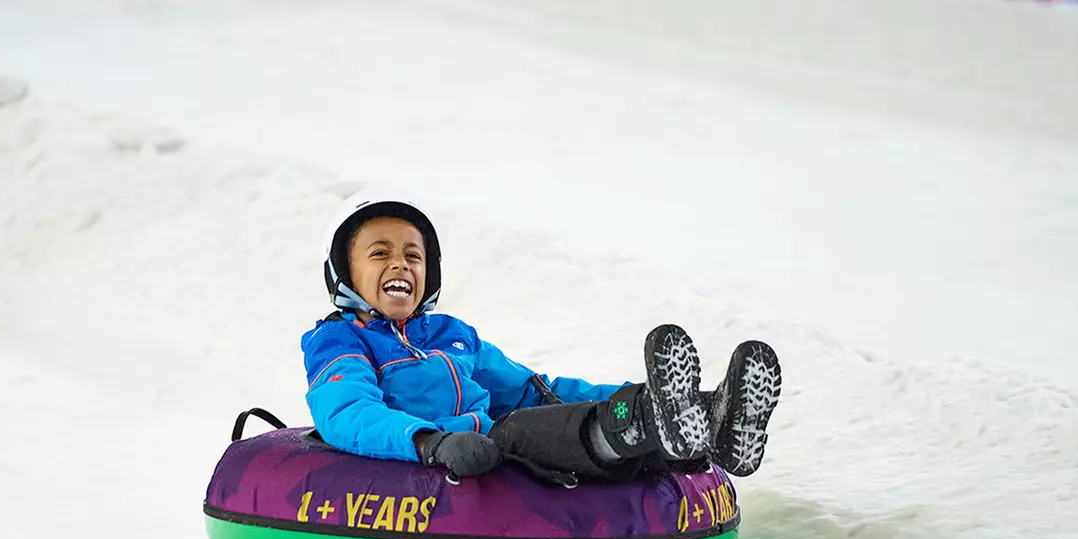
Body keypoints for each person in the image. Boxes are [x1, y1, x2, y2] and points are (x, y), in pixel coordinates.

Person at [301, 192, 783, 485]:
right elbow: (346, 411)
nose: (401, 264)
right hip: (456, 457)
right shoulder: (340, 340)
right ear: (345, 272)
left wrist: (624, 395)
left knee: (540, 412)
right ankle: (646, 424)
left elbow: (536, 388)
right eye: (379, 252)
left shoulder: (450, 336)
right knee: (518, 430)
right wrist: (429, 440)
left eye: (414, 255)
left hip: (491, 445)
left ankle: (699, 416)